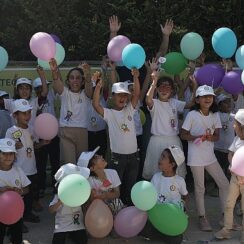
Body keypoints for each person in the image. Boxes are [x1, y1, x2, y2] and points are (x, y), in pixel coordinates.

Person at [180, 85, 229, 231]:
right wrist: (197, 137)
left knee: (224, 184)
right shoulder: (192, 115)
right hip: (195, 157)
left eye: (210, 96)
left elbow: (217, 137)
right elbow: (183, 134)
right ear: (197, 99)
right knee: (200, 188)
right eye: (204, 96)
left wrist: (209, 137)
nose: (208, 99)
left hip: (210, 156)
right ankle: (202, 217)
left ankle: (225, 216)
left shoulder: (215, 115)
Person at [92, 69, 140, 205]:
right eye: (119, 95)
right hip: (117, 157)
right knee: (116, 187)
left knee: (130, 186)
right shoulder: (109, 113)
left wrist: (135, 77)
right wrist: (98, 87)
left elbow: (136, 94)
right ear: (112, 96)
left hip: (133, 157)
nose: (122, 98)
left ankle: (129, 211)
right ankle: (117, 211)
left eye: (125, 95)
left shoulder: (130, 109)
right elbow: (95, 105)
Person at [142, 62, 197, 180]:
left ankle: (175, 194)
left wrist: (195, 86)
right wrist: (154, 81)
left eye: (167, 87)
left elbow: (191, 103)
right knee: (156, 172)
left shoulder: (174, 102)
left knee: (176, 173)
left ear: (172, 90)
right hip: (156, 141)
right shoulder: (154, 103)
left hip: (174, 141)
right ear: (157, 90)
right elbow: (148, 99)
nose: (164, 89)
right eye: (161, 87)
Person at [5, 99, 49, 224]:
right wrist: (13, 147)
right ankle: (18, 220)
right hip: (19, 170)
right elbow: (6, 152)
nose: (27, 116)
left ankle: (27, 214)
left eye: (29, 112)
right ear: (15, 115)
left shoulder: (31, 129)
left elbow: (33, 146)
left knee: (30, 194)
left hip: (32, 169)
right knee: (19, 196)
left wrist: (42, 143)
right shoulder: (11, 131)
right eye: (23, 113)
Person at [49, 59, 93, 164]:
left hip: (82, 132)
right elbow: (56, 83)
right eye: (72, 78)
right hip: (66, 132)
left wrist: (87, 74)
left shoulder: (85, 94)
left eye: (78, 78)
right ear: (68, 81)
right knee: (70, 164)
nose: (75, 81)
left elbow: (89, 89)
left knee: (82, 164)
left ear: (82, 81)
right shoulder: (65, 93)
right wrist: (54, 70)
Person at [215, 109, 244, 242]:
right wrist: (233, 165)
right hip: (234, 178)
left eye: (236, 124)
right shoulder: (237, 139)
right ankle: (227, 229)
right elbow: (230, 153)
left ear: (242, 127)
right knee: (229, 203)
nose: (233, 126)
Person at [33, 67, 60, 197]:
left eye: (46, 86)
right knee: (41, 164)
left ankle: (56, 186)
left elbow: (56, 84)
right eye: (40, 87)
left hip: (54, 135)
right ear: (36, 90)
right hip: (40, 137)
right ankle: (41, 187)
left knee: (55, 162)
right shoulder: (34, 102)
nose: (44, 88)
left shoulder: (51, 94)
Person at [49, 163, 90, 244]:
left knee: (83, 240)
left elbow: (85, 205)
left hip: (77, 223)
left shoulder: (81, 191)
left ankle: (71, 235)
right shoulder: (59, 195)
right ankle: (69, 235)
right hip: (62, 224)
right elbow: (51, 210)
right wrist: (60, 202)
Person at [0, 138, 30, 244]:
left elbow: (27, 188)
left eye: (11, 154)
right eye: (4, 153)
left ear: (15, 156)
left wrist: (20, 191)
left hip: (16, 212)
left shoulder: (18, 170)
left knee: (17, 237)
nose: (8, 157)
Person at [78, 146, 124, 216]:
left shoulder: (112, 172)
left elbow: (117, 193)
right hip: (96, 212)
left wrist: (105, 195)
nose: (101, 156)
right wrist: (94, 197)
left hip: (113, 208)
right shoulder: (88, 181)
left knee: (117, 202)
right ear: (92, 168)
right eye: (96, 157)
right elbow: (89, 202)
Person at [151, 145, 188, 210]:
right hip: (158, 212)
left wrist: (182, 207)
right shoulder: (155, 177)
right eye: (161, 156)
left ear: (172, 164)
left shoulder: (180, 180)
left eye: (163, 157)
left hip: (173, 215)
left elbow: (185, 195)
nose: (160, 159)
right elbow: (150, 193)